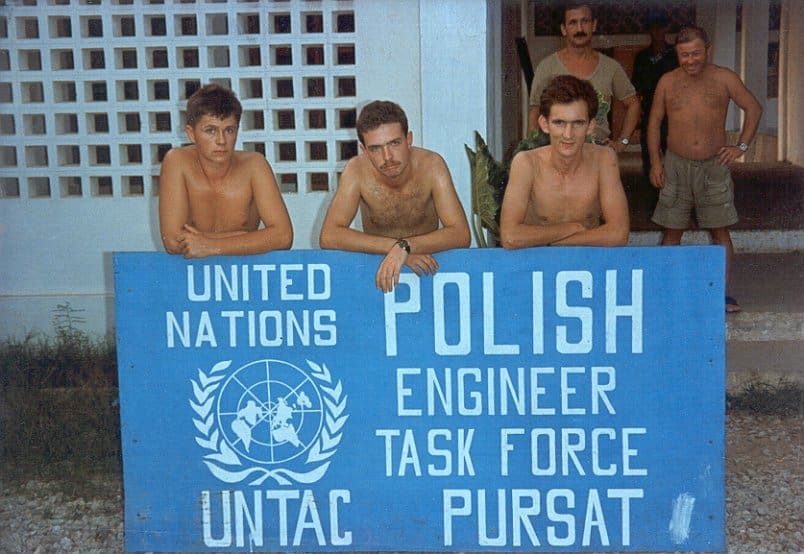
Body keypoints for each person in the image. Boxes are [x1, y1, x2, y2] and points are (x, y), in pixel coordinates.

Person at [648, 26, 762, 313]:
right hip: (675, 165)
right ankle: (666, 294)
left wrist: (741, 147)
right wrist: (656, 161)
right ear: (677, 54)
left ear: (708, 50)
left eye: (696, 53)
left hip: (714, 165)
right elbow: (654, 123)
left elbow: (754, 108)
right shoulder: (667, 81)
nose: (690, 60)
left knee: (720, 231)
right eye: (684, 55)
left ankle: (720, 295)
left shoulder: (724, 78)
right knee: (672, 232)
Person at [319, 100, 471, 293]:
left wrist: (406, 247)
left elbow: (461, 234)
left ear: (409, 139)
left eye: (394, 143)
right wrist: (398, 249)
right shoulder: (356, 171)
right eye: (375, 148)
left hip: (426, 269)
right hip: (379, 269)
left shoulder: (432, 165)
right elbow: (329, 236)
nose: (387, 157)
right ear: (364, 150)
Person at [159, 84, 293, 258]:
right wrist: (244, 237)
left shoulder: (254, 165)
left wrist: (211, 246)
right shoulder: (177, 161)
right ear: (191, 134)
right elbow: (172, 241)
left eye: (229, 130)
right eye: (210, 131)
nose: (221, 140)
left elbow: (283, 236)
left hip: (243, 269)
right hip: (192, 270)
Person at [500, 75, 629, 248]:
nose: (568, 135)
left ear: (590, 126)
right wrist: (572, 228)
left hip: (586, 258)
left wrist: (554, 241)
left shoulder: (604, 159)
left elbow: (619, 233)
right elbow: (510, 237)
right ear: (544, 124)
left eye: (578, 123)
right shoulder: (526, 163)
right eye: (559, 123)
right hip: (538, 261)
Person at [526, 2, 640, 153]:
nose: (579, 29)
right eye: (573, 23)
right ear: (563, 29)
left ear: (594, 25)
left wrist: (622, 142)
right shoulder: (547, 67)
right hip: (558, 153)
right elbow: (535, 111)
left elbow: (633, 104)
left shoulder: (610, 67)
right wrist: (534, 151)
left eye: (585, 21)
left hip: (597, 152)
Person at [632, 14, 678, 184]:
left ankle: (676, 189)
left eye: (661, 28)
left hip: (673, 111)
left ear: (666, 29)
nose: (657, 32)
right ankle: (651, 188)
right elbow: (636, 88)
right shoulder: (643, 57)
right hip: (650, 109)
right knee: (649, 154)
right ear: (649, 31)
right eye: (654, 29)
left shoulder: (674, 54)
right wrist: (637, 114)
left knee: (674, 152)